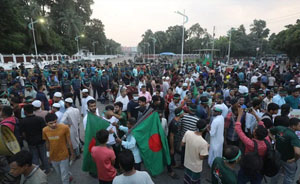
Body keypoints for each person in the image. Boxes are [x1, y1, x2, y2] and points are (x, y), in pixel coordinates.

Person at [235, 107, 270, 184]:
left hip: (248, 165)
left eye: (255, 129)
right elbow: (262, 125)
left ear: (255, 134)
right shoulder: (267, 140)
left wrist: (239, 115)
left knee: (241, 180)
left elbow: (238, 129)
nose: (254, 129)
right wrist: (255, 114)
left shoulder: (250, 143)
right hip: (260, 167)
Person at [43, 113, 75, 184]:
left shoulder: (64, 128)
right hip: (53, 156)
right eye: (51, 123)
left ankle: (67, 178)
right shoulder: (45, 130)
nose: (54, 124)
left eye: (55, 122)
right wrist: (48, 155)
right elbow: (47, 143)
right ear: (46, 123)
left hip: (64, 155)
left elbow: (69, 142)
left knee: (64, 177)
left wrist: (72, 154)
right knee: (59, 173)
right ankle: (69, 175)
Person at [20, 104, 50, 174]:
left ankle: (37, 172)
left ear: (25, 111)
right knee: (44, 156)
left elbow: (23, 133)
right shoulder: (39, 119)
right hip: (41, 140)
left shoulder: (23, 121)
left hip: (31, 142)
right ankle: (47, 169)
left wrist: (27, 138)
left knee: (34, 158)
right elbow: (44, 129)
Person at [270, 118, 300, 184]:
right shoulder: (293, 137)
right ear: (293, 126)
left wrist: (274, 139)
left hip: (277, 156)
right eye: (299, 125)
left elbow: (269, 131)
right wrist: (294, 159)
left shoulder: (279, 128)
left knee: (276, 172)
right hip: (288, 160)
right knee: (289, 176)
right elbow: (297, 152)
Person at [181, 119, 209, 184]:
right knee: (194, 181)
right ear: (204, 129)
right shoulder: (204, 143)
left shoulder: (187, 133)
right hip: (195, 167)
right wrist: (207, 149)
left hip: (187, 163)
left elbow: (182, 144)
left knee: (186, 180)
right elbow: (201, 157)